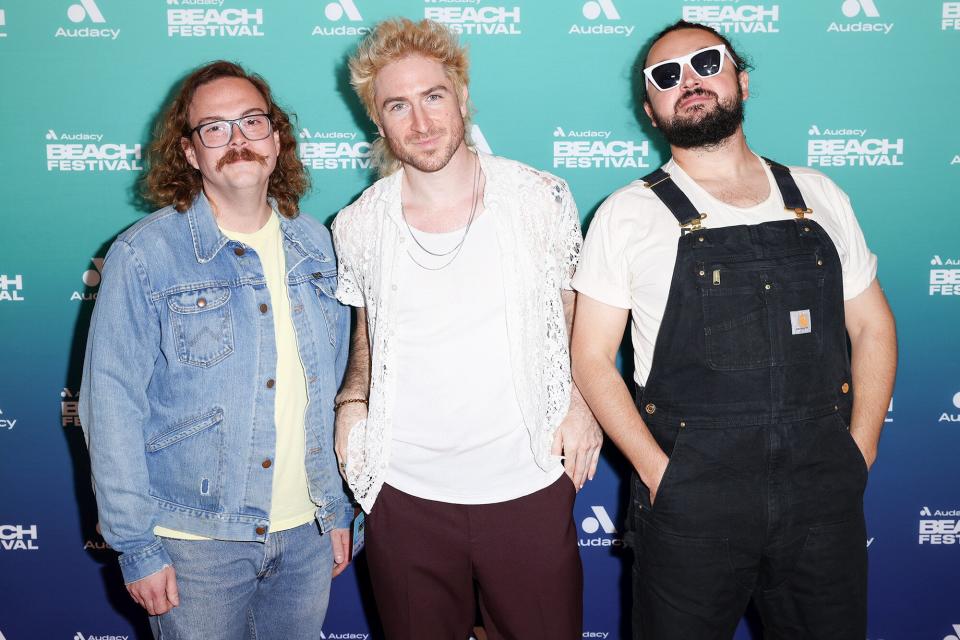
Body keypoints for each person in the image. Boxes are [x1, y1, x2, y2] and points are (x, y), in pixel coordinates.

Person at [571, 20, 897, 640]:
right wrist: (655, 470)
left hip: (821, 500)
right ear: (651, 108)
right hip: (692, 504)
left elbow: (873, 324)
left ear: (741, 81)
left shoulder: (820, 195)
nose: (688, 80)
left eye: (706, 62)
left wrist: (861, 450)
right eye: (665, 76)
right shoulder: (628, 215)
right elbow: (589, 357)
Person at [331, 18, 601, 640]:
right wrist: (351, 403)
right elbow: (369, 332)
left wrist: (582, 403)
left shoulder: (539, 196)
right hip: (404, 493)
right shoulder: (359, 224)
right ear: (378, 119)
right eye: (398, 105)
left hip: (527, 481)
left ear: (460, 97)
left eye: (433, 97)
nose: (421, 123)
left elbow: (573, 312)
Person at [78, 60, 351, 639]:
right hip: (194, 545)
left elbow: (334, 390)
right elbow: (110, 406)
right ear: (190, 152)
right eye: (215, 128)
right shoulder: (144, 256)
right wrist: (135, 545)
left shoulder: (319, 247)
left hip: (307, 535)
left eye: (252, 122)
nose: (237, 141)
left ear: (276, 139)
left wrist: (337, 509)